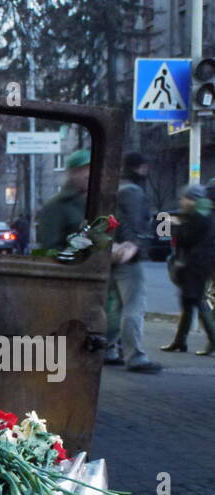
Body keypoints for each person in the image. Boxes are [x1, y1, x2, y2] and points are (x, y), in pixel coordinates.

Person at [106, 152, 161, 373]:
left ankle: (108, 349)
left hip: (111, 253)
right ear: (141, 168)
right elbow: (136, 221)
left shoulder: (115, 188)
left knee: (115, 307)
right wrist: (134, 244)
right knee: (134, 306)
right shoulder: (134, 192)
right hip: (128, 255)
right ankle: (135, 356)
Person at [161, 183, 215, 356]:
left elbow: (187, 239)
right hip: (201, 263)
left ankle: (211, 340)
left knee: (195, 300)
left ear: (192, 200)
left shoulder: (198, 216)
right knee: (188, 301)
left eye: (184, 198)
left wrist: (178, 226)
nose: (182, 201)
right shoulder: (206, 213)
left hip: (195, 264)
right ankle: (180, 341)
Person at [36, 148, 90, 251]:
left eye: (90, 168)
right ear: (71, 173)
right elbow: (50, 250)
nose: (87, 174)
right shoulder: (56, 206)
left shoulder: (101, 202)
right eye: (82, 169)